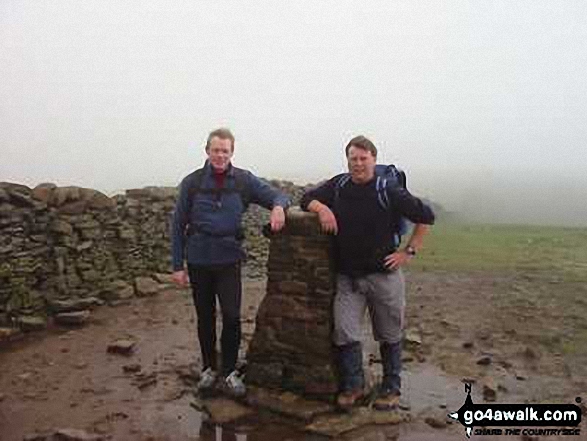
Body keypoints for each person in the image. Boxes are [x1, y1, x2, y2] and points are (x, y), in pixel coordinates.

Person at [300, 135, 435, 411]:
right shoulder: (339, 185)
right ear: (347, 160)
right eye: (353, 158)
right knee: (345, 331)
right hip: (348, 277)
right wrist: (323, 208)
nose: (358, 164)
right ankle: (354, 386)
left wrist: (408, 252)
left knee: (389, 333)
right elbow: (306, 198)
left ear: (374, 159)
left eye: (364, 158)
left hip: (384, 275)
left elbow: (426, 216)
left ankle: (391, 388)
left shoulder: (389, 190)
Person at [171, 128, 289, 397]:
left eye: (225, 151)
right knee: (205, 317)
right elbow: (177, 224)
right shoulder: (192, 182)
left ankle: (230, 371)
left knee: (233, 316)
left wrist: (279, 207)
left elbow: (277, 195)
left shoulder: (244, 181)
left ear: (232, 152)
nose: (220, 155)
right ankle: (208, 369)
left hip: (228, 259)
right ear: (207, 151)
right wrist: (178, 265)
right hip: (199, 258)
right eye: (216, 150)